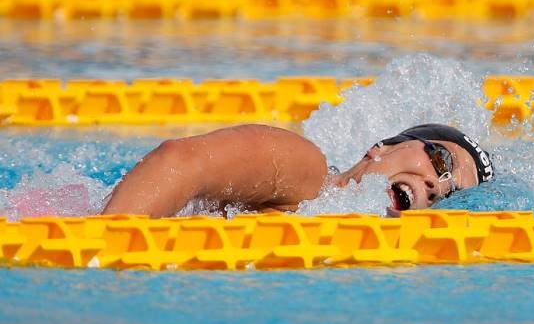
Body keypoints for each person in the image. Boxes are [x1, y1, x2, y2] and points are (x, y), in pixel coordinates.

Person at [100, 123, 494, 218]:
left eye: (454, 193)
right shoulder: (307, 173)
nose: (438, 185)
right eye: (441, 162)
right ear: (381, 149)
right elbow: (180, 162)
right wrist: (105, 249)